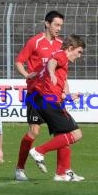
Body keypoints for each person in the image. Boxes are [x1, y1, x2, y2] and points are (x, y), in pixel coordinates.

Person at [14, 10, 65, 181]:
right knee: (34, 131)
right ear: (47, 23)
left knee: (62, 131)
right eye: (56, 25)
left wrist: (65, 90)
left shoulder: (60, 44)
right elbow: (19, 61)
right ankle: (19, 169)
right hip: (35, 93)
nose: (59, 28)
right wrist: (26, 75)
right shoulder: (35, 42)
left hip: (53, 94)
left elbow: (62, 71)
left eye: (61, 26)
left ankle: (62, 172)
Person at [28, 34, 85, 182]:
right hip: (49, 101)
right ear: (71, 48)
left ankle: (62, 173)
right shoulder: (61, 55)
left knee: (63, 136)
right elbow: (52, 63)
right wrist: (52, 73)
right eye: (79, 52)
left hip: (48, 100)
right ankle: (39, 151)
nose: (79, 56)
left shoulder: (61, 59)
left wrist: (68, 96)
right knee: (76, 134)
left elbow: (54, 80)